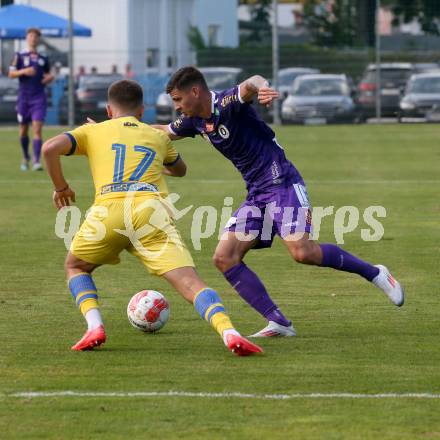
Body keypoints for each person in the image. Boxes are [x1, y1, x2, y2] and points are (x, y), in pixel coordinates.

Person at [154, 66, 405, 338]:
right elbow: (159, 132)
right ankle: (279, 322)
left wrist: (263, 87)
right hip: (257, 193)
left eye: (178, 100)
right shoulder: (193, 121)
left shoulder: (226, 102)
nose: (177, 107)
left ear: (195, 91)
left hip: (282, 181)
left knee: (303, 252)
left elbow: (250, 83)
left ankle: (376, 274)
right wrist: (115, 128)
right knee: (224, 258)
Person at [42, 79, 262, 356]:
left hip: (108, 212)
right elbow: (180, 170)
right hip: (151, 213)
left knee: (76, 267)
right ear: (142, 111)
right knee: (191, 284)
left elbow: (49, 148)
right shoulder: (156, 136)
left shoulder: (93, 131)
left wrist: (61, 188)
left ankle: (94, 326)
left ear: (109, 110)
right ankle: (229, 332)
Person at [8, 28, 54, 171]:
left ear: (38, 39)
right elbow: (10, 73)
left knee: (37, 128)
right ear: (27, 38)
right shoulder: (19, 56)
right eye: (31, 36)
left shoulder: (43, 58)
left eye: (35, 36)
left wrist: (49, 78)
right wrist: (24, 71)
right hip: (23, 98)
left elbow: (48, 74)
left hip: (39, 97)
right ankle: (25, 157)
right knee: (23, 130)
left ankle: (36, 161)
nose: (33, 38)